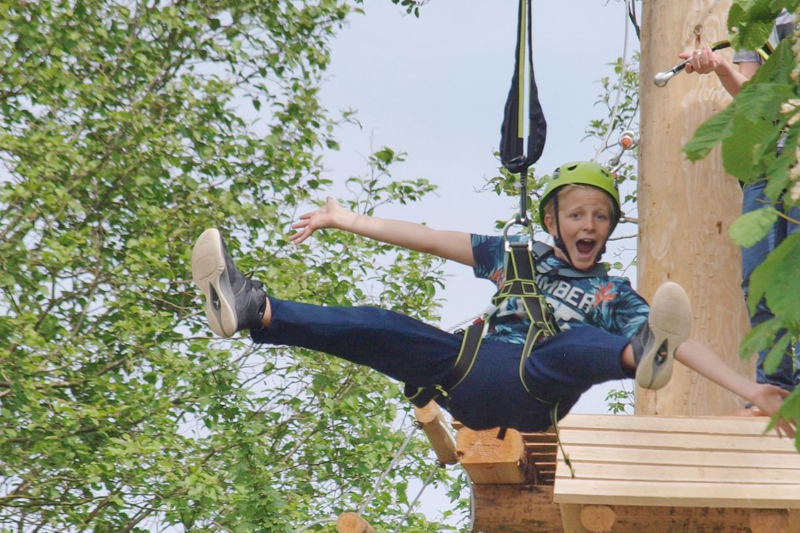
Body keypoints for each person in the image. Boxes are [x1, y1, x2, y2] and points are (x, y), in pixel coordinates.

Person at [190, 161, 795, 436]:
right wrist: (348, 220)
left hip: (538, 392)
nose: (588, 225)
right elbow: (431, 238)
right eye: (576, 215)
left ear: (610, 228)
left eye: (600, 217)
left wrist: (752, 391)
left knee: (577, 345)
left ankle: (638, 357)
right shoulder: (515, 256)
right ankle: (254, 310)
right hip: (471, 375)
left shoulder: (611, 293)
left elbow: (685, 346)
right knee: (380, 326)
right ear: (552, 223)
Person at [680, 9, 799, 415]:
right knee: (759, 276)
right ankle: (775, 390)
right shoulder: (761, 12)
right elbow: (750, 95)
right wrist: (719, 67)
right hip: (767, 164)